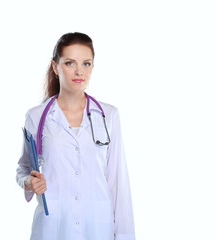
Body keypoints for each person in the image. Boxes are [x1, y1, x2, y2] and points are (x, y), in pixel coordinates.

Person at [16, 32, 135, 240]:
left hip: (97, 228)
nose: (79, 71)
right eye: (70, 63)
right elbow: (24, 169)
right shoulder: (36, 117)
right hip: (53, 227)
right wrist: (28, 182)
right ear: (56, 67)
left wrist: (125, 236)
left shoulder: (109, 116)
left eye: (86, 63)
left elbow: (119, 185)